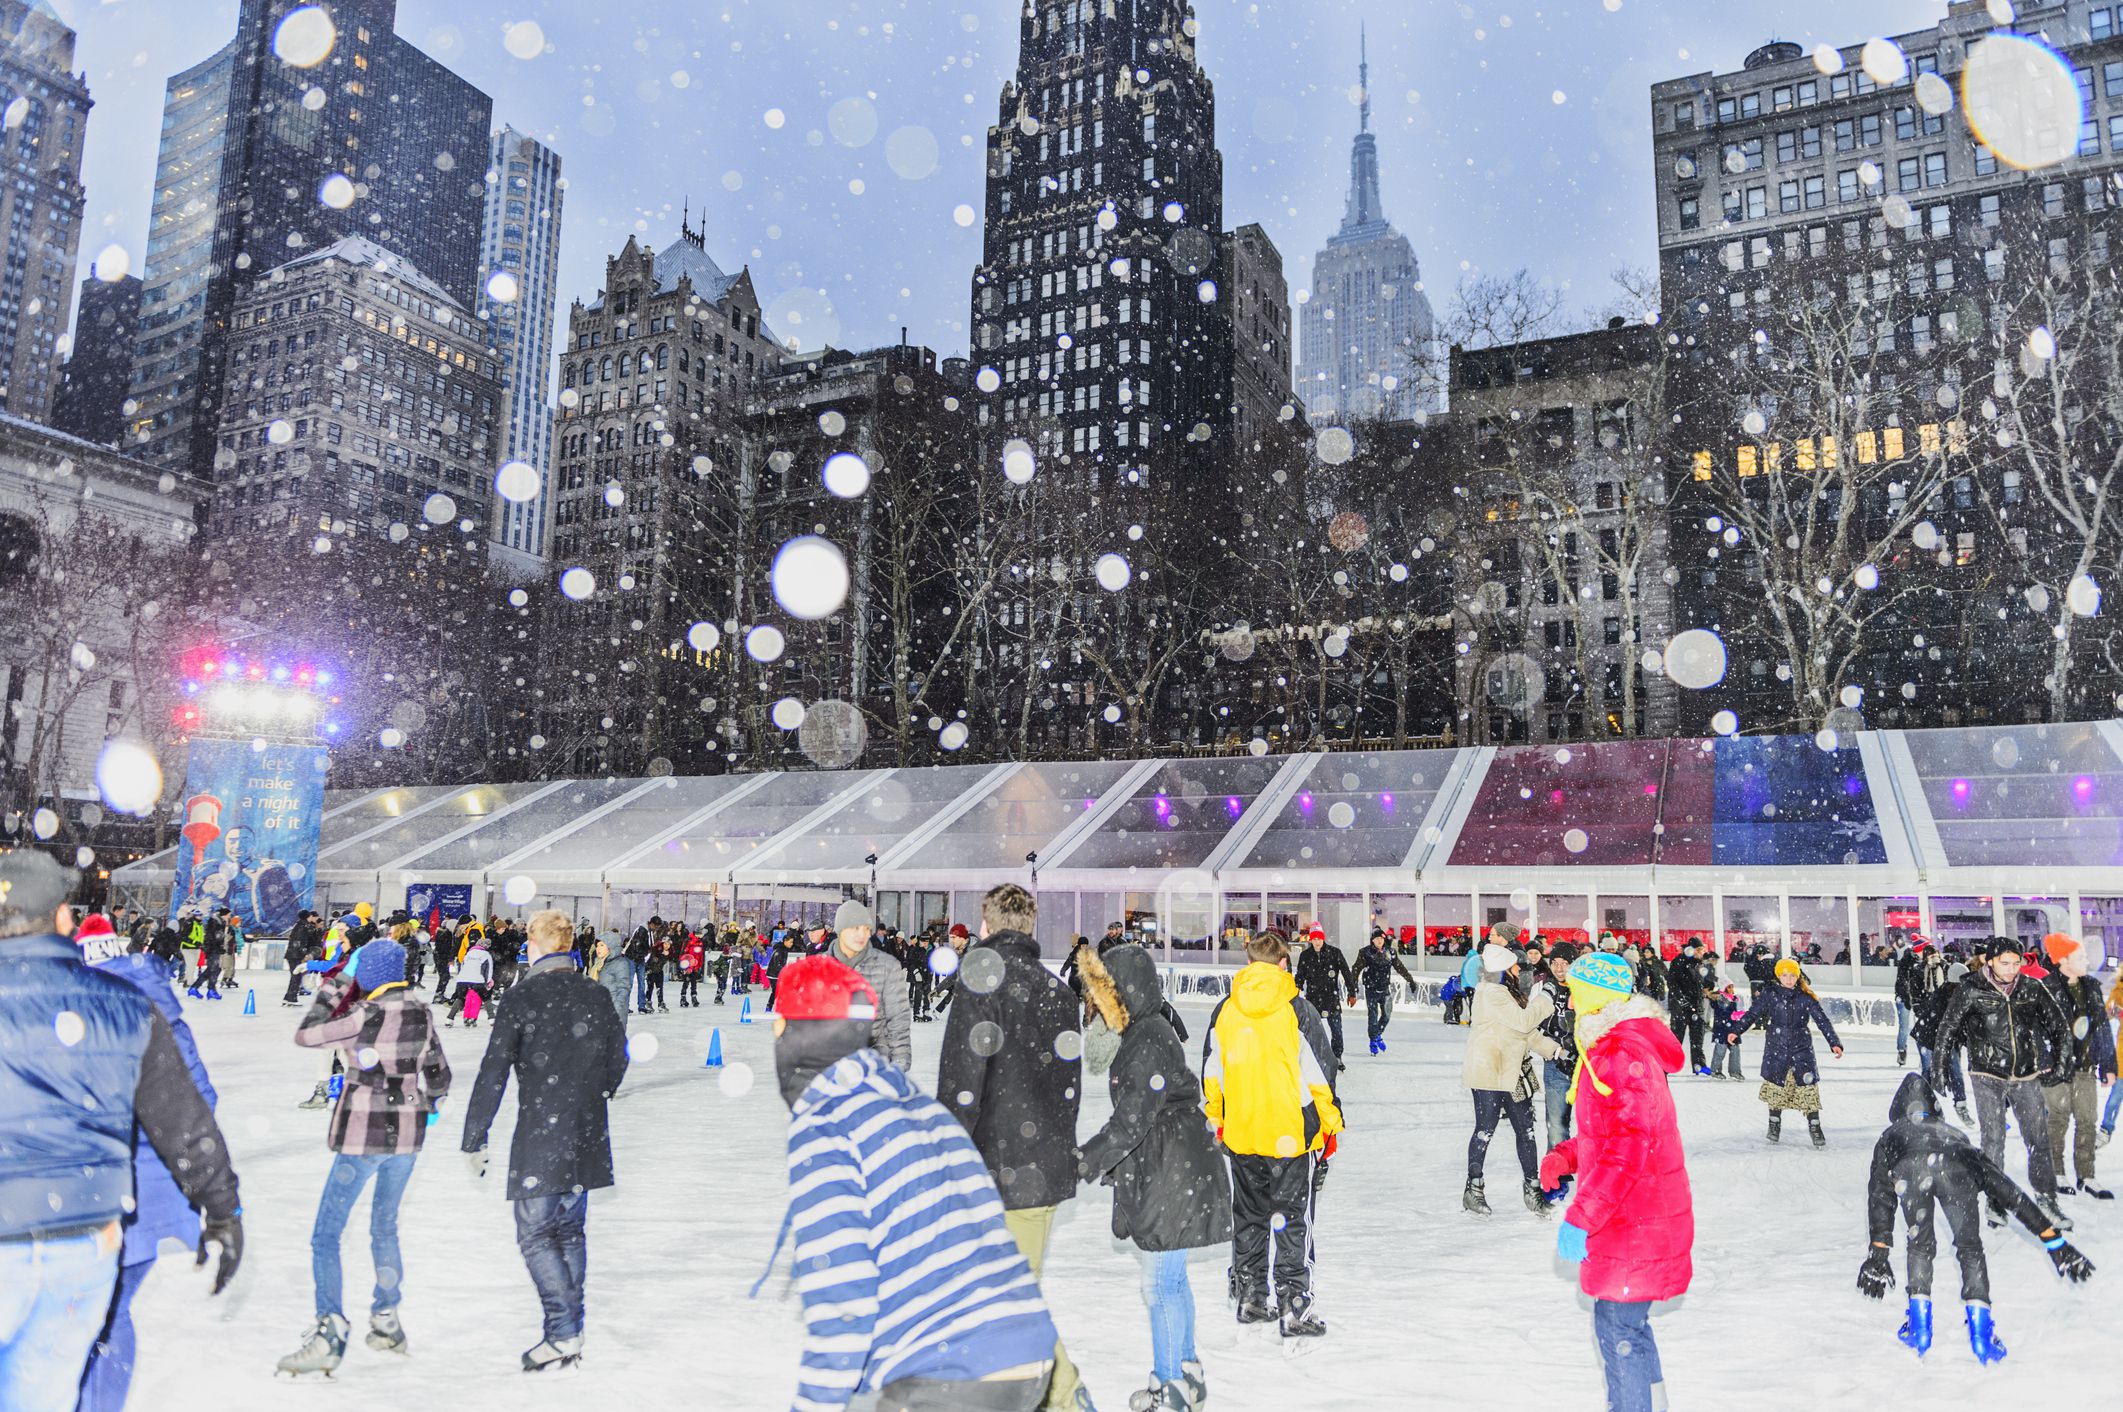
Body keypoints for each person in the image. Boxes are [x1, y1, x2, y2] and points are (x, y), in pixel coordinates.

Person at [761, 955, 1059, 1412]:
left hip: (947, 1368)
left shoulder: (825, 1123)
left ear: (791, 1030)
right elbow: (982, 1216)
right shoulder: (918, 1106)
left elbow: (845, 1297)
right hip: (1024, 1348)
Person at [0, 849, 242, 1408]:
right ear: (64, 919)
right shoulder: (123, 1004)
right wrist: (222, 1207)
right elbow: (181, 1116)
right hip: (82, 1242)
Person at [936, 885, 1085, 1411]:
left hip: (993, 1169)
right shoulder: (1057, 990)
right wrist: (1055, 1151)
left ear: (987, 924)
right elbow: (1069, 1089)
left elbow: (961, 1084)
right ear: (1029, 927)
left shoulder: (981, 981)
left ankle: (1065, 1397)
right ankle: (1063, 1394)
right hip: (1040, 1169)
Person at [462, 909, 630, 1372]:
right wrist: (596, 1093)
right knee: (570, 1232)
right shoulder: (594, 993)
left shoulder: (523, 996)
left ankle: (562, 1332)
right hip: (585, 1129)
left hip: (542, 1129)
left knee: (536, 1234)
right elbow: (620, 1053)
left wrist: (475, 1137)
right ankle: (570, 1331)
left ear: (534, 945)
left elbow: (493, 1070)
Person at [278, 938, 452, 1377]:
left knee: (326, 1235)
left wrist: (337, 985)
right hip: (406, 1139)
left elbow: (307, 1034)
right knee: (384, 1225)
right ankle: (386, 1317)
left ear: (368, 975)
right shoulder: (421, 1012)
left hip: (363, 1136)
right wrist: (417, 1101)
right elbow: (440, 1076)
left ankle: (329, 1329)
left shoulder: (365, 1016)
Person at [72, 913, 221, 1412]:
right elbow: (202, 1100)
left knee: (91, 1315)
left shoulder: (86, 1012)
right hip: (153, 1196)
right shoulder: (162, 1010)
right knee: (111, 1315)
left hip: (102, 1196)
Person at [1538, 952, 1692, 1412]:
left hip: (1636, 1217)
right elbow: (1612, 1133)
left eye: (1575, 989)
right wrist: (1566, 1157)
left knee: (1618, 1324)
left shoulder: (1621, 1051)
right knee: (1627, 1323)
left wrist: (1582, 1217)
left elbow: (1628, 1146)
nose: (1568, 995)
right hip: (1638, 1212)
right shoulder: (1610, 1043)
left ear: (1595, 996)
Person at [1077, 944, 1228, 1412]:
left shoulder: (1145, 1040)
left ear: (1125, 990)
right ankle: (1187, 1373)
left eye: (1104, 993)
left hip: (1169, 1164)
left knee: (1159, 1285)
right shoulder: (1149, 1029)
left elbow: (1130, 1123)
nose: (1097, 1003)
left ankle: (1171, 1389)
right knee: (1173, 1280)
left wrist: (1081, 1162)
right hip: (1177, 1158)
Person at [1857, 1073, 2094, 1364]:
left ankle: (1919, 1327)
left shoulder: (1891, 1136)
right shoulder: (1956, 1137)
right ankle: (1981, 1334)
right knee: (1969, 1247)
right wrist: (2053, 1240)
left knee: (1920, 1243)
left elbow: (1880, 1196)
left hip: (1910, 1169)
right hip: (1956, 1168)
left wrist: (1879, 1250)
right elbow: (2010, 1193)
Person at [1202, 930, 1344, 1339]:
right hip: (1289, 1132)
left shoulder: (1225, 1011)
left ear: (1249, 964)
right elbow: (1322, 1074)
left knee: (1248, 1215)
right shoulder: (1298, 1010)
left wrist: (1221, 1119)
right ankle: (1293, 1304)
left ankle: (1250, 1295)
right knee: (1292, 1218)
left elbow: (1212, 1075)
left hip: (1243, 1130)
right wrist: (1328, 1125)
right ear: (1284, 963)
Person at [1930, 937, 2073, 1227]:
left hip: (2025, 1073)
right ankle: (1996, 1200)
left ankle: (2047, 1200)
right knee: (1993, 1139)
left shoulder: (2031, 988)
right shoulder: (1971, 989)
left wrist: (2061, 1062)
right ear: (1990, 961)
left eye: (2016, 963)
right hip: (1987, 1074)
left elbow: (2059, 1026)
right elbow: (1948, 1026)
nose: (2011, 969)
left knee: (2038, 1138)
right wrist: (1939, 1067)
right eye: (2004, 963)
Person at [1463, 942, 1562, 1215]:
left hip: (1514, 1071)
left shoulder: (1507, 993)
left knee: (1526, 1131)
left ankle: (1532, 1189)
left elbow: (1524, 1032)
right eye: (1515, 965)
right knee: (1485, 1129)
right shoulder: (1490, 993)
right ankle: (1473, 1188)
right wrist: (1548, 996)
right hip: (1489, 1072)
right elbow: (1524, 1021)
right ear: (1503, 969)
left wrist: (1556, 1050)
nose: (1520, 970)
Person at [2038, 933, 2115, 1200]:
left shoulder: (2091, 986)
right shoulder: (2045, 987)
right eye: (2079, 956)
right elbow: (2036, 1031)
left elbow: (2102, 1027)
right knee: (2057, 1120)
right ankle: (2056, 1172)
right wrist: (2046, 1063)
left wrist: (2108, 1063)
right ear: (2062, 960)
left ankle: (2087, 1175)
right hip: (2056, 1069)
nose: (2086, 960)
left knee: (2087, 1121)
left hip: (2084, 1066)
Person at [1743, 958, 1844, 1147]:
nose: (1788, 979)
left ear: (1797, 977)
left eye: (1792, 975)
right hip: (1776, 1048)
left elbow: (1822, 1021)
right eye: (1784, 975)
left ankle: (1815, 1126)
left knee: (1808, 1090)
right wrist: (1735, 1031)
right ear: (1778, 976)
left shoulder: (1805, 997)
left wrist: (1834, 1042)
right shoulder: (1770, 994)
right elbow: (1752, 1014)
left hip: (1801, 1049)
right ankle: (1774, 1123)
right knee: (1776, 1088)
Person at [828, 899, 913, 1069]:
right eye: (855, 928)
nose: (862, 935)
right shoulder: (819, 967)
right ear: (841, 930)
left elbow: (898, 1020)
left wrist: (899, 1065)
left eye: (866, 929)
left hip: (876, 1064)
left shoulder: (887, 967)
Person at [1292, 926, 1357, 1069]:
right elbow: (1300, 977)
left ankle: (1337, 1057)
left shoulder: (1334, 953)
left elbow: (1346, 973)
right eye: (1314, 939)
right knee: (1311, 1029)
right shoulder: (1306, 956)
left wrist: (1352, 992)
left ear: (1323, 938)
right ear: (1310, 940)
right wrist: (1295, 992)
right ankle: (1312, 1055)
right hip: (1313, 999)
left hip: (1331, 997)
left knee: (1336, 1029)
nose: (1317, 942)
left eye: (1319, 939)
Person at [1535, 942, 1579, 1147]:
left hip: (1586, 1065)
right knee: (1557, 1124)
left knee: (1595, 1122)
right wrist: (1556, 1050)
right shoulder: (1547, 989)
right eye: (1555, 963)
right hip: (1556, 1066)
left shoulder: (1586, 990)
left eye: (1565, 963)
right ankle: (1559, 1173)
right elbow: (1532, 1027)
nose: (1559, 968)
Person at [1356, 927, 1417, 1056]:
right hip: (1371, 989)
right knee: (1372, 1016)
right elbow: (1356, 968)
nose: (1379, 941)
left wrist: (1410, 980)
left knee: (1387, 1015)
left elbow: (1400, 967)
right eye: (1376, 939)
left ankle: (1377, 1034)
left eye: (1381, 938)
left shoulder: (1391, 952)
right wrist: (1353, 985)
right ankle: (1373, 1040)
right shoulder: (1365, 952)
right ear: (1372, 940)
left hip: (1384, 989)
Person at [1664, 938, 1712, 1076]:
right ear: (1690, 950)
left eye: (1702, 950)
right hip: (1681, 1008)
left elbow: (1699, 983)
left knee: (1697, 1038)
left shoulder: (1699, 964)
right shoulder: (1678, 962)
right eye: (1698, 950)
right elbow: (1673, 984)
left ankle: (1699, 1065)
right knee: (1676, 1038)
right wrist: (1683, 1002)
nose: (1701, 953)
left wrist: (1709, 987)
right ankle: (1667, 1065)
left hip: (1697, 1006)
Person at [447, 936, 494, 1027]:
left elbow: (463, 966)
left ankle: (449, 1019)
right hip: (477, 980)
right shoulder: (486, 955)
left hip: (462, 979)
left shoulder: (468, 954)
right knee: (486, 998)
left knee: (461, 998)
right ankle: (492, 1019)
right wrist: (487, 982)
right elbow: (489, 970)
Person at [590, 932, 633, 1029]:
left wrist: (615, 1010)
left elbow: (624, 989)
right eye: (597, 946)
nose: (598, 949)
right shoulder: (598, 964)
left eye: (602, 945)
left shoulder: (620, 963)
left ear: (610, 946)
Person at [1707, 982, 1747, 1080]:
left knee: (1735, 1050)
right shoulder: (1719, 999)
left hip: (1733, 1029)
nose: (1731, 989)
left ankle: (1735, 1071)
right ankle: (1715, 1070)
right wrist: (1733, 1015)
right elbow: (1723, 1012)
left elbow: (1736, 1011)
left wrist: (1739, 1014)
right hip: (1721, 1028)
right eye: (1729, 987)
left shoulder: (1735, 999)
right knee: (1720, 1050)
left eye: (1732, 986)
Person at [282, 909, 322, 1006]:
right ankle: (291, 999)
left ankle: (289, 997)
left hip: (293, 954)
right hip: (296, 955)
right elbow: (302, 941)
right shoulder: (305, 926)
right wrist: (304, 953)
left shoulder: (299, 925)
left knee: (295, 976)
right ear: (309, 917)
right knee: (296, 976)